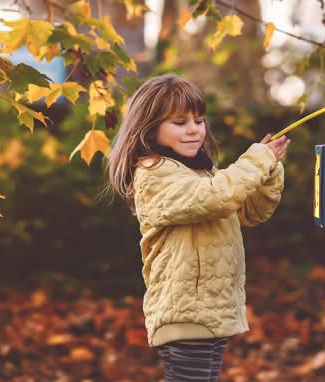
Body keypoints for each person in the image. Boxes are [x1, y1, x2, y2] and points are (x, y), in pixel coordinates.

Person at [105, 73, 290, 381]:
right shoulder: (154, 173)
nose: (194, 130)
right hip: (185, 312)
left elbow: (251, 211)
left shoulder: (200, 173)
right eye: (179, 123)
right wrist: (256, 162)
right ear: (149, 129)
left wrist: (269, 170)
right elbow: (218, 197)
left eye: (199, 120)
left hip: (212, 310)